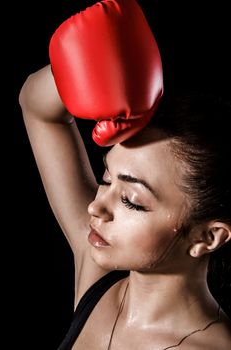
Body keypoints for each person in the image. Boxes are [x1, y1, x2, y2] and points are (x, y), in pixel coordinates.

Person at [19, 1, 231, 349]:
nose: (95, 209)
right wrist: (96, 70)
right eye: (106, 179)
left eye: (132, 201)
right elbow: (38, 108)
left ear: (207, 237)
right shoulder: (101, 279)